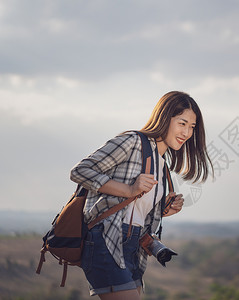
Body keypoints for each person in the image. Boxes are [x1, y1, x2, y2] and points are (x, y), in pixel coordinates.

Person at [70, 91, 213, 300]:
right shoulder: (133, 141)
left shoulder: (162, 163)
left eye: (192, 127)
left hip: (133, 247)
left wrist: (165, 209)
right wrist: (129, 190)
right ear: (165, 117)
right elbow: (80, 171)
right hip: (107, 239)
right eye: (182, 123)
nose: (187, 132)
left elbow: (135, 210)